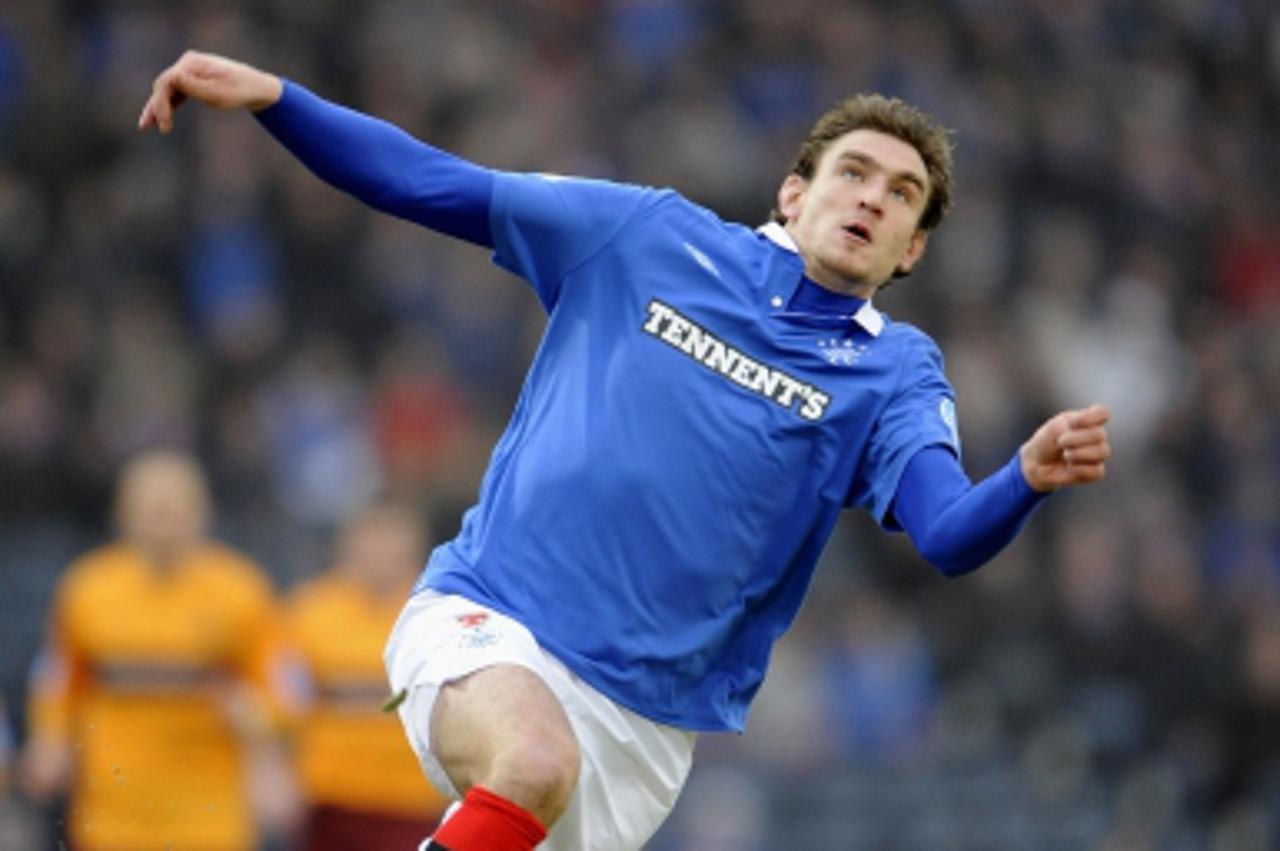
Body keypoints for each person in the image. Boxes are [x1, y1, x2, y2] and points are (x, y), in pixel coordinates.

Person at [139, 51, 1112, 851]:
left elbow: (943, 532)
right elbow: (431, 182)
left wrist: (1021, 477)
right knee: (531, 759)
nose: (871, 198)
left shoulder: (896, 372)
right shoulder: (647, 234)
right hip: (490, 616)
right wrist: (278, 100)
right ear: (792, 190)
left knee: (538, 776)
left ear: (909, 251)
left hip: (641, 728)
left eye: (901, 195)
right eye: (851, 172)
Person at [20, 449, 300, 851]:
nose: (164, 524)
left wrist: (260, 726)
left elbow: (286, 691)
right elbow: (57, 678)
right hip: (114, 808)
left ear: (203, 513)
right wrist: (50, 739)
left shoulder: (241, 591)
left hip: (209, 815)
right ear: (123, 514)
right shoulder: (88, 589)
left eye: (176, 510)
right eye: (152, 510)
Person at [282, 500, 449, 849]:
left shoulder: (437, 613)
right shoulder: (309, 611)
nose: (381, 554)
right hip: (332, 794)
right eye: (371, 542)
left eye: (392, 543)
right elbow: (285, 700)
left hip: (413, 796)